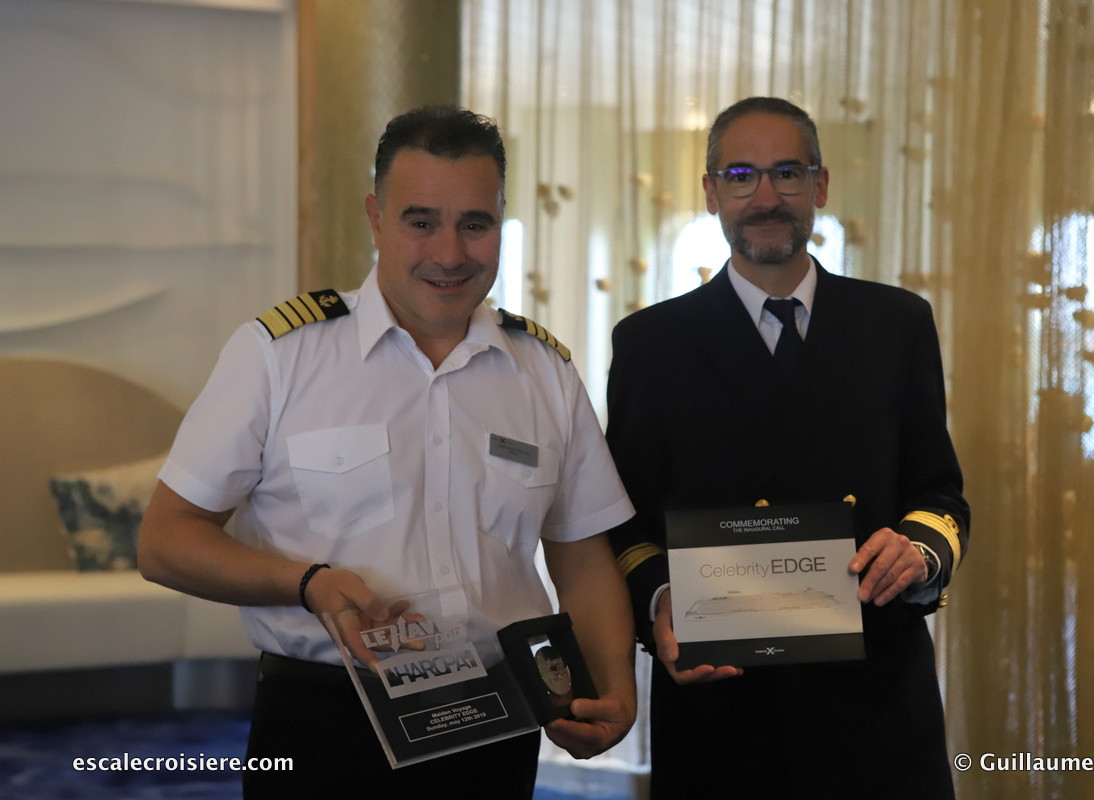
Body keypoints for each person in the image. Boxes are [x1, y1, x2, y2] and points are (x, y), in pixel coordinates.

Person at [138, 106, 637, 798]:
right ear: (376, 216)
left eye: (476, 223)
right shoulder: (280, 354)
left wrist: (613, 690)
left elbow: (581, 555)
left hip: (498, 718)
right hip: (326, 719)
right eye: (421, 221)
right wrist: (308, 583)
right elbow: (165, 541)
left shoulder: (543, 370)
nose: (451, 253)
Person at [606, 96, 969, 798]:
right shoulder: (650, 344)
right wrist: (659, 600)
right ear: (711, 193)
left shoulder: (896, 324)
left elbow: (938, 491)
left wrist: (919, 551)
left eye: (788, 174)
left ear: (821, 187)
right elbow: (628, 523)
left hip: (878, 708)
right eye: (741, 176)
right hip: (720, 714)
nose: (766, 197)